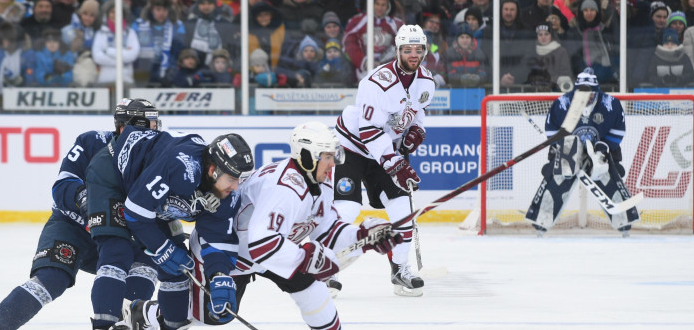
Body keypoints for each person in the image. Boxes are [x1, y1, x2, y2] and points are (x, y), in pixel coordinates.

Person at [125, 122, 402, 330]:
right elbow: (261, 244)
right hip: (231, 254)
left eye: (333, 156)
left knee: (313, 293)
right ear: (306, 157)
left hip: (279, 251)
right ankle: (146, 313)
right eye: (327, 157)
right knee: (207, 318)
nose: (334, 164)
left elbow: (327, 229)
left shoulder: (322, 181)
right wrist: (307, 258)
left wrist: (364, 235)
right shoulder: (284, 190)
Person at [0, 99, 164, 330]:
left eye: (154, 123)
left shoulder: (158, 153)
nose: (154, 129)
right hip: (75, 228)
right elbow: (62, 185)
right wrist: (89, 202)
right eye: (147, 124)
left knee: (146, 267)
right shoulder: (92, 142)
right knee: (50, 280)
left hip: (121, 234)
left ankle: (124, 324)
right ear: (124, 126)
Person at [86, 116, 254, 329]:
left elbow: (218, 238)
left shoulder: (226, 193)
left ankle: (171, 325)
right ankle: (105, 325)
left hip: (154, 198)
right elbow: (136, 212)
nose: (236, 187)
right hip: (114, 174)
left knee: (177, 272)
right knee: (117, 252)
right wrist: (162, 248)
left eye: (239, 179)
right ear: (213, 170)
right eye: (232, 179)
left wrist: (220, 276)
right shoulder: (180, 167)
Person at [333, 24, 435, 297]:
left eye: (418, 49)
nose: (413, 54)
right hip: (353, 147)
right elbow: (368, 131)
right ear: (398, 50)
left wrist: (417, 130)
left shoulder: (426, 81)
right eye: (407, 49)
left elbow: (418, 111)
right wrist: (396, 164)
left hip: (385, 149)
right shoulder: (375, 83)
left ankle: (399, 269)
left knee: (402, 209)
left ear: (424, 50)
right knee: (347, 211)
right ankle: (325, 270)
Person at [525, 68, 640, 236]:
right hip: (569, 147)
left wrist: (602, 148)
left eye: (591, 94)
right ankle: (542, 220)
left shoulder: (610, 104)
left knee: (605, 174)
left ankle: (623, 222)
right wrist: (562, 144)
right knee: (560, 175)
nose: (587, 98)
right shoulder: (563, 103)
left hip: (600, 147)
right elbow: (551, 129)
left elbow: (618, 129)